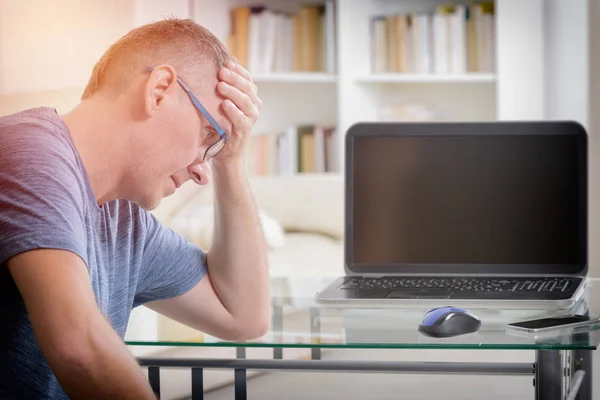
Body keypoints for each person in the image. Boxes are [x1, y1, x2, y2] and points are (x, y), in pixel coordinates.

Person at [0, 18, 269, 400]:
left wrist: (231, 161)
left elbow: (243, 317)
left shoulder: (124, 223)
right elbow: (79, 348)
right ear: (159, 91)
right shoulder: (27, 151)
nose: (201, 172)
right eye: (209, 136)